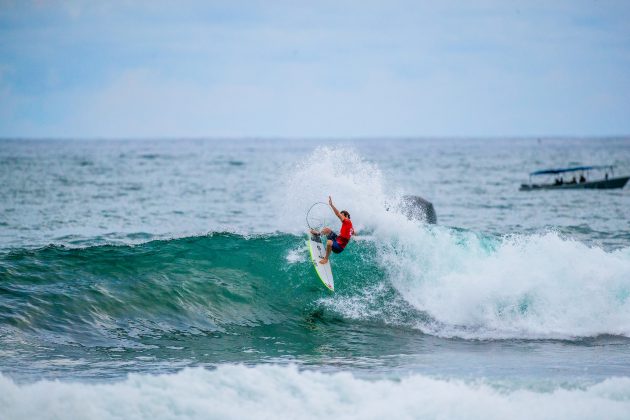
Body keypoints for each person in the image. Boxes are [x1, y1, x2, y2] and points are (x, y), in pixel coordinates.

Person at [310, 195, 354, 264]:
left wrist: (331, 205)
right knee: (327, 230)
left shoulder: (347, 221)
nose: (340, 217)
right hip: (337, 240)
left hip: (339, 247)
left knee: (329, 242)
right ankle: (318, 234)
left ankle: (326, 259)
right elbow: (352, 232)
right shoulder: (350, 225)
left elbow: (337, 214)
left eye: (342, 215)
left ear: (346, 216)